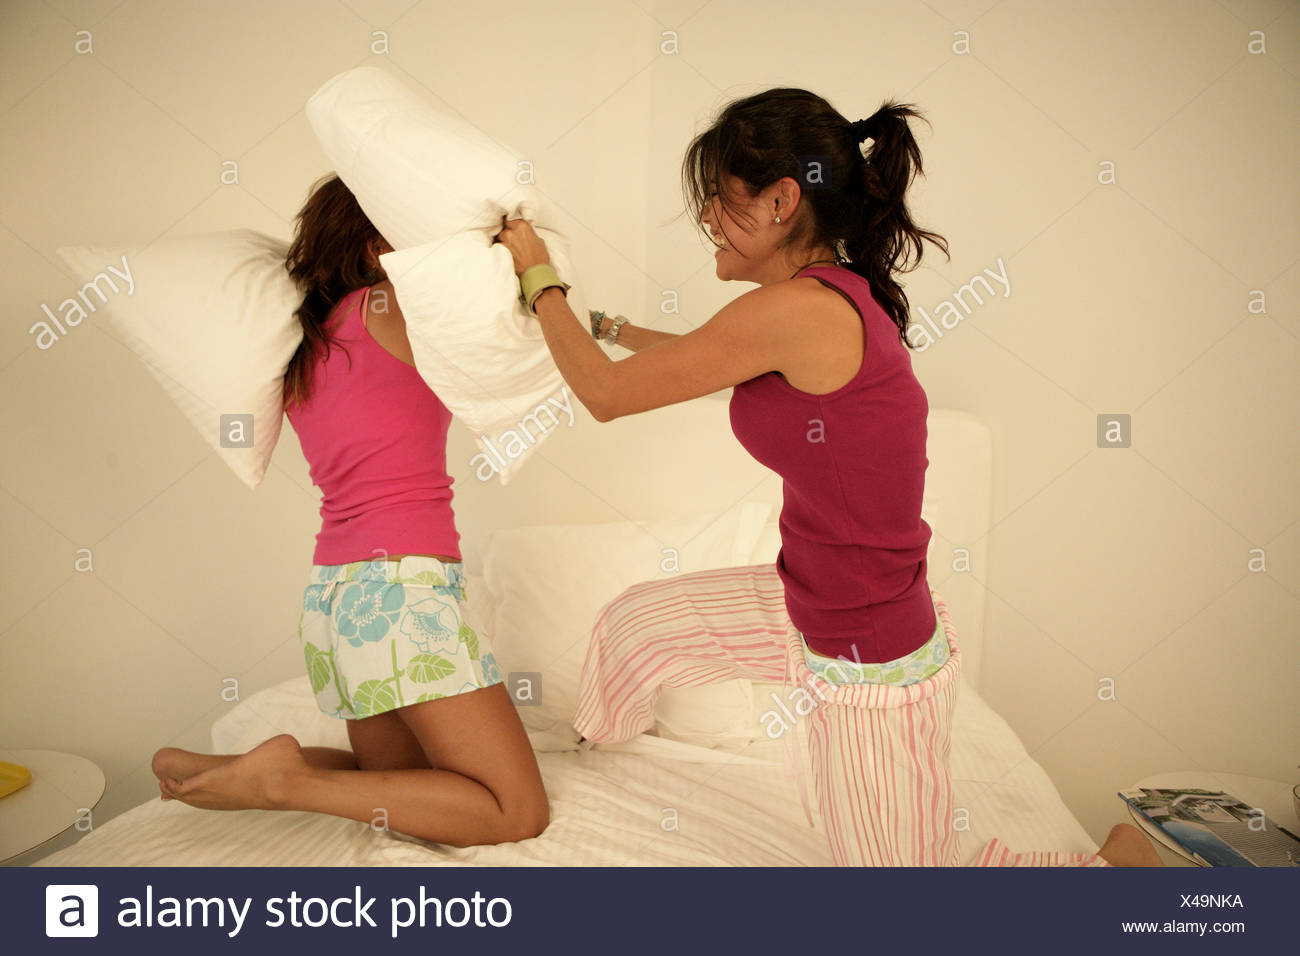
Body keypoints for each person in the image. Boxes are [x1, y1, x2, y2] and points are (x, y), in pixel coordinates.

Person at [494, 87, 1160, 866]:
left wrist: (541, 277)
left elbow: (605, 397)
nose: (705, 216)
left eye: (717, 196)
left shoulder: (796, 312)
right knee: (641, 622)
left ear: (781, 199)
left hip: (866, 655)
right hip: (806, 598)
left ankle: (1113, 871)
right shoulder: (814, 303)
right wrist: (605, 326)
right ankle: (591, 741)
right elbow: (708, 358)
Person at [150, 173, 549, 848]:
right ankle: (285, 781)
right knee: (515, 810)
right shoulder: (391, 307)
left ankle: (236, 771)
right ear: (373, 247)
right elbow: (501, 295)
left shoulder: (305, 347)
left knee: (395, 781)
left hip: (335, 599)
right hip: (402, 591)